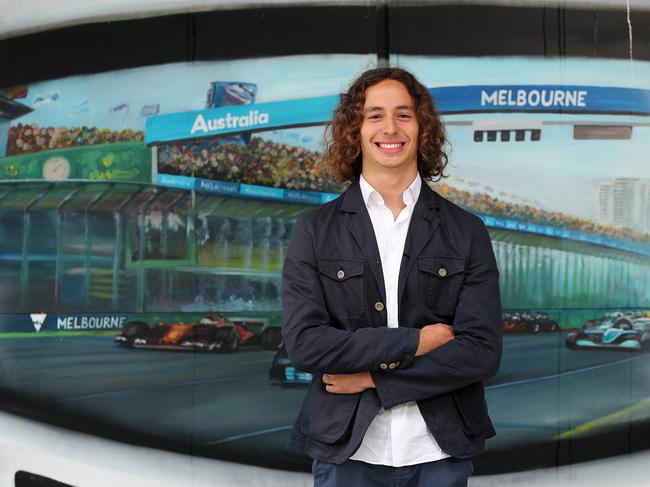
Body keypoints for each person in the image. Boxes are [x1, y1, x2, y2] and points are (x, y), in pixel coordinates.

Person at [282, 67, 502, 486]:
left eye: (404, 114)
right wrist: (417, 341)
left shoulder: (466, 230)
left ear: (422, 128)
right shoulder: (314, 229)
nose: (390, 128)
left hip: (440, 452)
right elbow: (305, 345)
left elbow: (482, 352)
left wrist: (374, 379)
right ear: (355, 129)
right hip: (346, 451)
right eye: (375, 115)